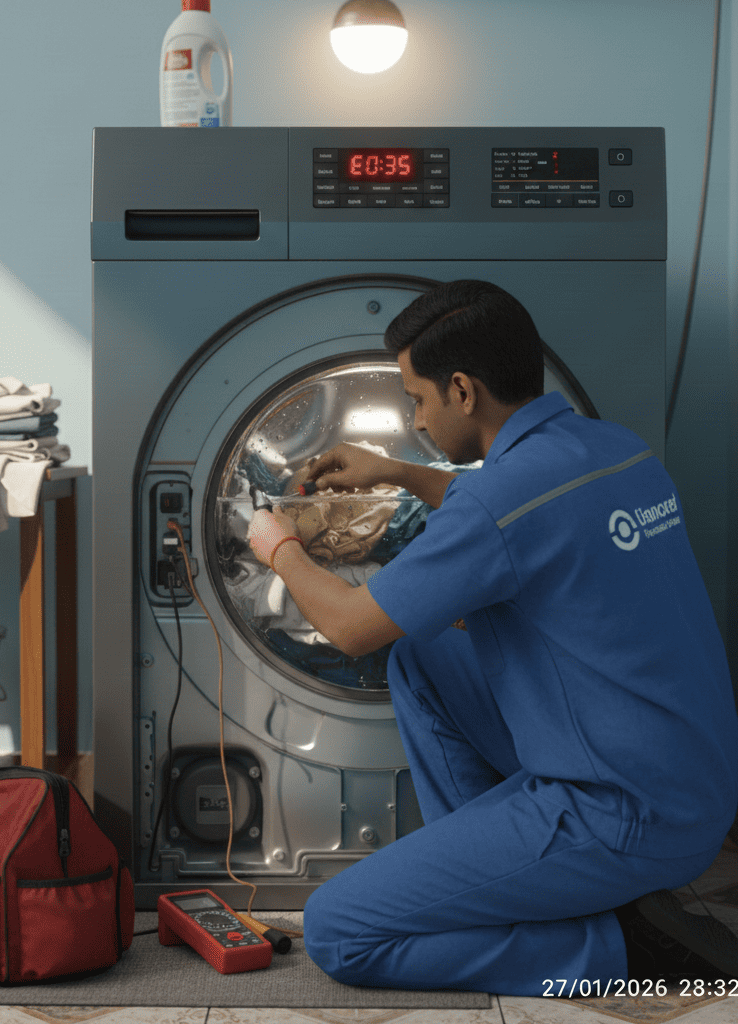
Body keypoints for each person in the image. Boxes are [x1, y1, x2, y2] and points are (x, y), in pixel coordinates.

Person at [247, 279, 738, 994]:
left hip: (620, 816)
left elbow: (353, 629)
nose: (415, 420)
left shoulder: (494, 504)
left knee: (340, 931)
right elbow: (517, 514)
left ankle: (616, 949)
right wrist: (400, 473)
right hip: (695, 791)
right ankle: (507, 879)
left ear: (464, 392)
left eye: (417, 400)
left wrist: (280, 548)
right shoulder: (614, 449)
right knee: (424, 651)